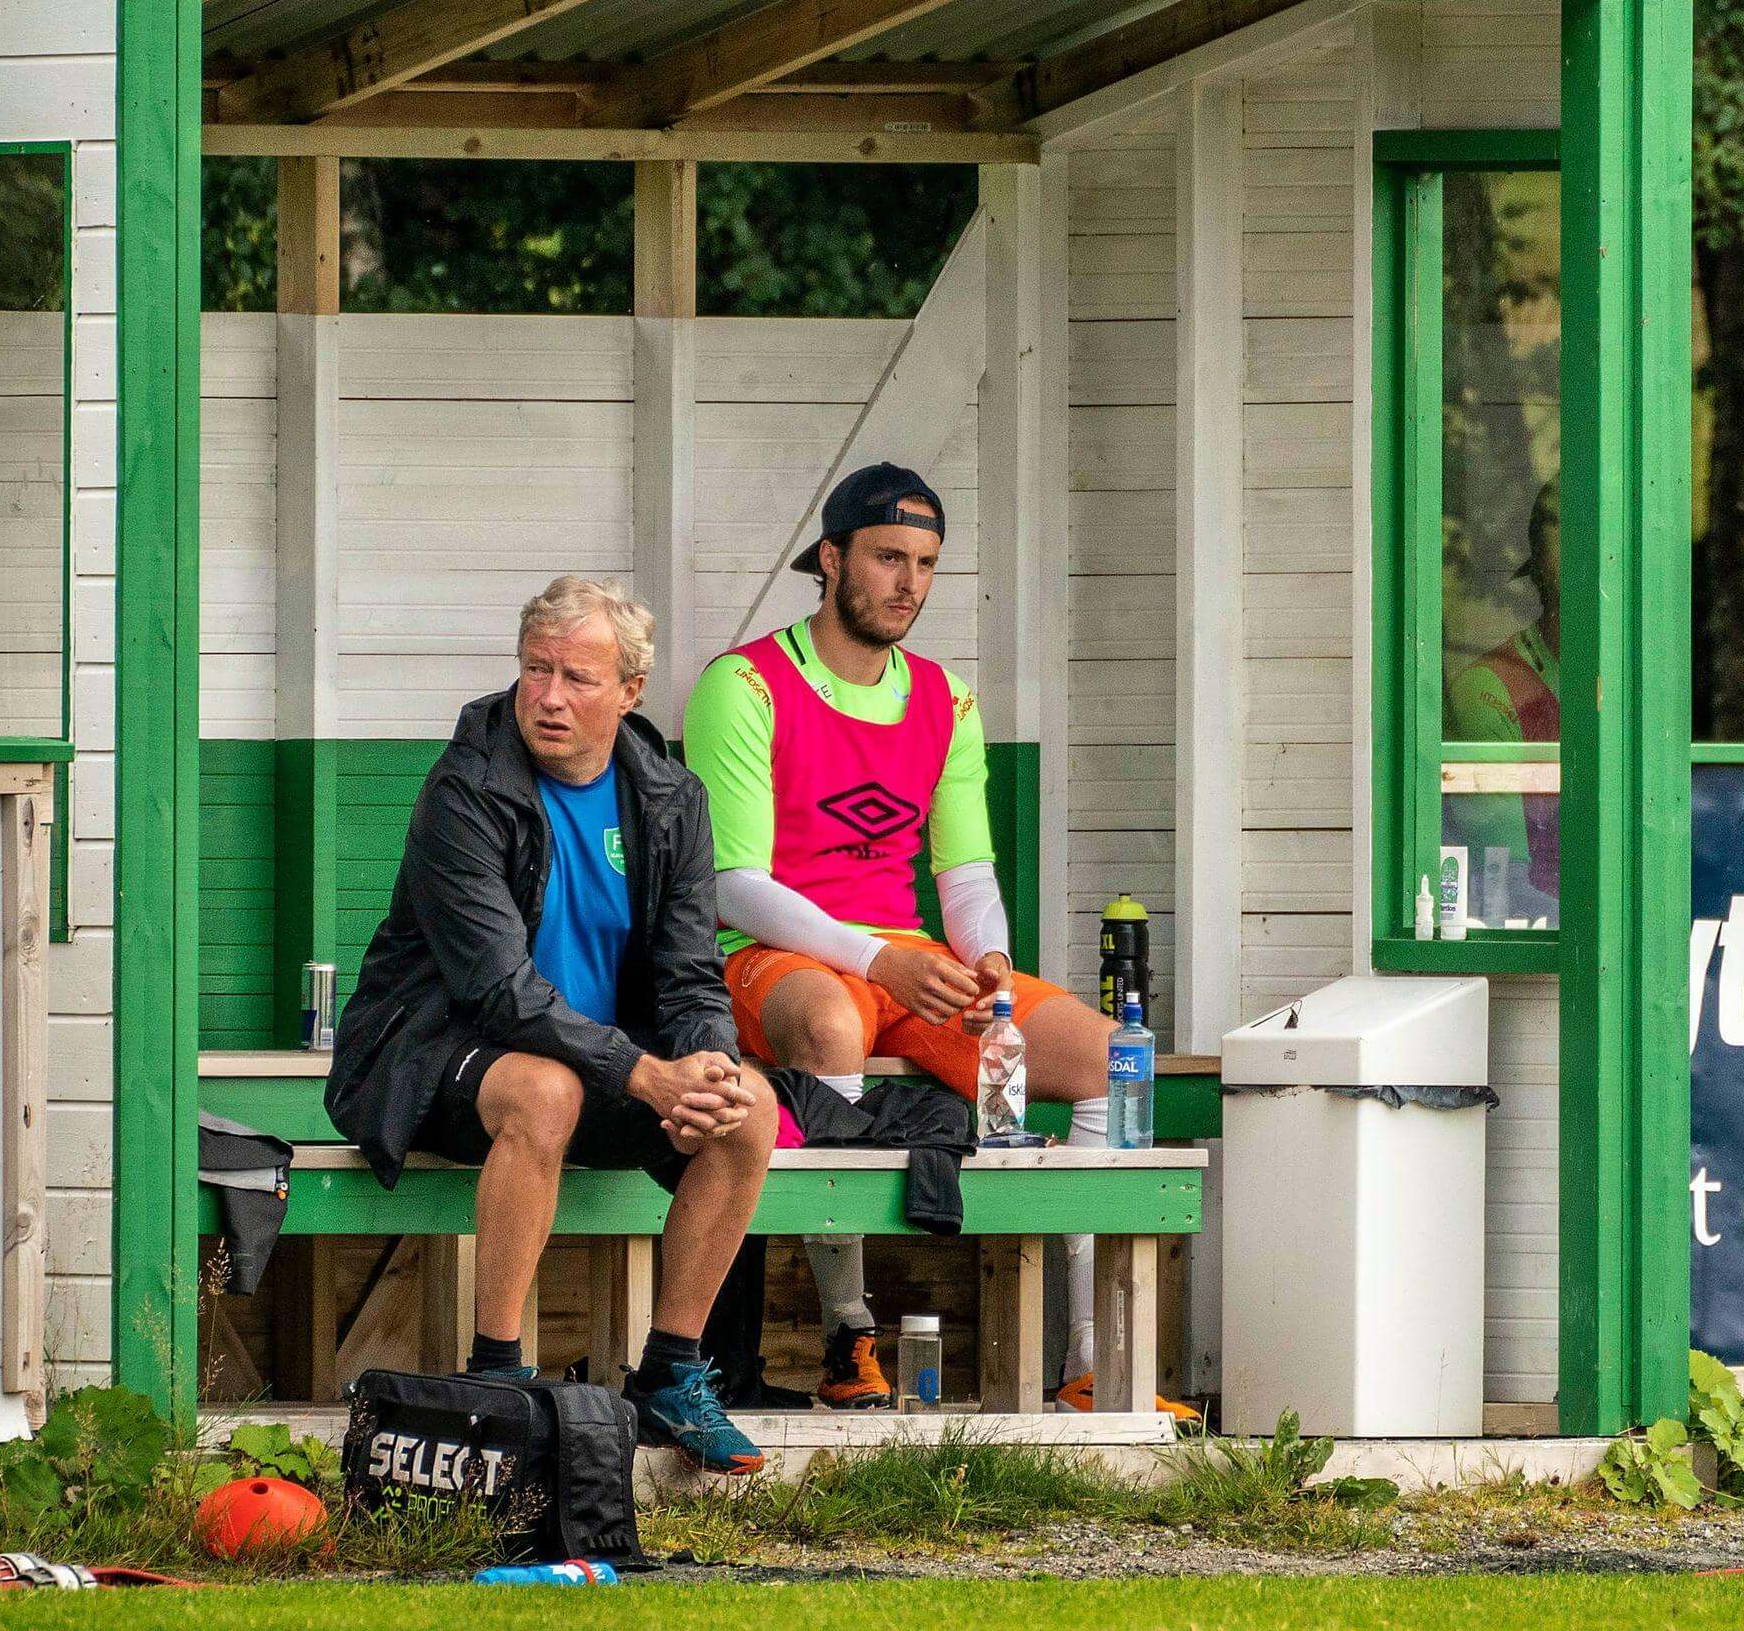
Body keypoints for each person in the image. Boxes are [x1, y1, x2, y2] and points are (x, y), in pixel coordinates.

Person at [683, 462, 1192, 1418]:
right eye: (885, 557)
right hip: (777, 959)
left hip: (912, 962)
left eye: (924, 563)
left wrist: (988, 962)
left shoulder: (945, 698)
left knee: (1109, 1056)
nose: (906, 583)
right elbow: (732, 884)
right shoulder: (744, 682)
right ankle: (849, 1336)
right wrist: (881, 959)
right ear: (830, 560)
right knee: (831, 1022)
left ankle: (1084, 1363)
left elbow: (965, 874)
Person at [325, 577, 773, 1475]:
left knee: (749, 1108)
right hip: (431, 1053)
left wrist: (707, 1066)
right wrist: (646, 1077)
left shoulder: (671, 797)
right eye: (536, 671)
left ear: (630, 692)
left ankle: (672, 1377)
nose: (550, 697)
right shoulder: (464, 787)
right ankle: (497, 1376)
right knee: (545, 1086)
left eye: (576, 676)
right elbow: (497, 990)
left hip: (601, 1066)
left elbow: (689, 972)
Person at [1443, 479, 1561, 920]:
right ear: (1541, 564)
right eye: (1560, 529)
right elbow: (1510, 885)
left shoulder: (1641, 684)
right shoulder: (1492, 691)